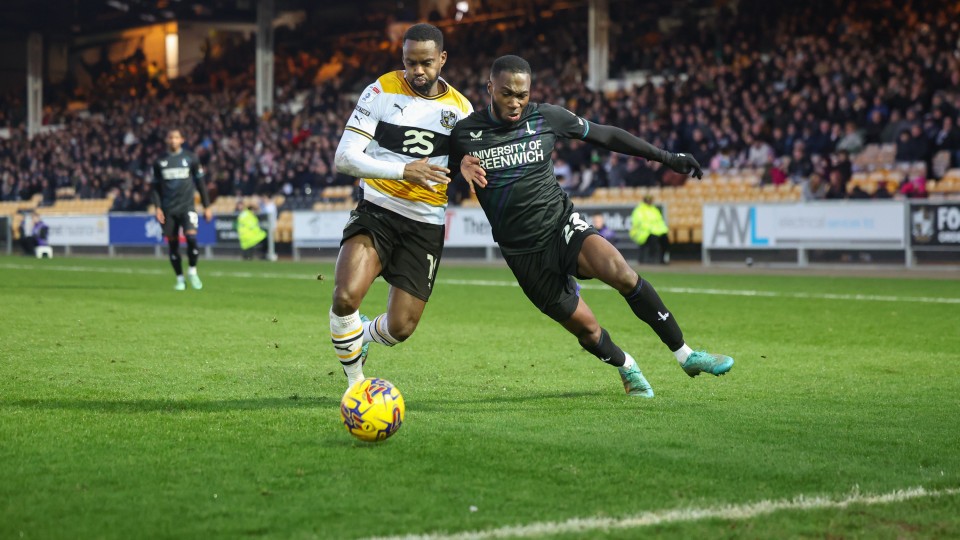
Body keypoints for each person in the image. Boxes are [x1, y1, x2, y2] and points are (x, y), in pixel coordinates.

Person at [452, 55, 733, 398]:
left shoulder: (546, 117)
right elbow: (429, 167)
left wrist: (665, 157)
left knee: (621, 272)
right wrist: (457, 169)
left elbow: (606, 136)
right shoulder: (465, 133)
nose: (515, 103)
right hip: (523, 252)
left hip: (560, 224)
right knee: (587, 331)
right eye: (507, 93)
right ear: (490, 87)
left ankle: (686, 355)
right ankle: (626, 365)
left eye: (522, 95)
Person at [330, 23, 473, 389]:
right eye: (411, 62)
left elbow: (466, 164)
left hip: (425, 223)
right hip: (377, 208)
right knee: (346, 296)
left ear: (442, 59)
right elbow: (344, 159)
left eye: (426, 62)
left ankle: (359, 338)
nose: (418, 71)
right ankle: (356, 386)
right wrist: (402, 171)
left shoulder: (461, 109)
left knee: (401, 328)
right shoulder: (380, 90)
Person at [150, 128, 212, 291]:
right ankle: (179, 279)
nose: (173, 140)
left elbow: (201, 184)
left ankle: (192, 271)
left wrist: (207, 206)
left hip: (187, 206)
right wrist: (157, 208)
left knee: (191, 238)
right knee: (173, 245)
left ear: (182, 140)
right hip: (168, 209)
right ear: (166, 140)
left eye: (176, 137)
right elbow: (155, 188)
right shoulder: (159, 161)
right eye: (170, 137)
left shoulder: (191, 158)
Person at [629, 195, 669, 264]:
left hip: (655, 231)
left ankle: (661, 259)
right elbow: (640, 223)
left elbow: (660, 222)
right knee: (653, 238)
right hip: (642, 233)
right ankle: (652, 259)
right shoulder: (639, 210)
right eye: (648, 200)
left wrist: (663, 231)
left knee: (665, 239)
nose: (649, 201)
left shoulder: (655, 210)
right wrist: (653, 230)